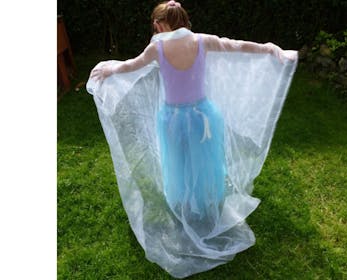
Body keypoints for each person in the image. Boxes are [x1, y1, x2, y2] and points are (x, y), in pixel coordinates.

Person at [88, 1, 297, 278]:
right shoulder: (201, 41)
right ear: (184, 21)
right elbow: (237, 46)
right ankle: (205, 201)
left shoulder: (157, 48)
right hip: (203, 118)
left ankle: (186, 202)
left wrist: (109, 71)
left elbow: (131, 65)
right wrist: (270, 48)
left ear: (159, 25)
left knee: (178, 162)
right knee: (205, 162)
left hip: (173, 120)